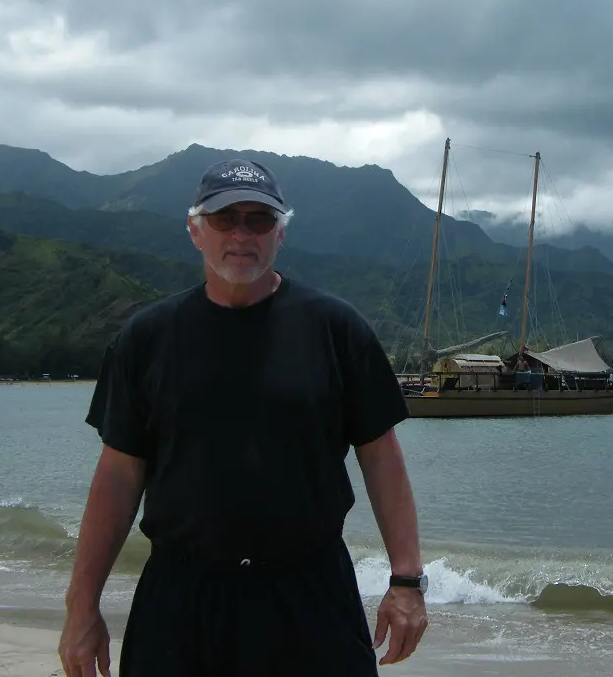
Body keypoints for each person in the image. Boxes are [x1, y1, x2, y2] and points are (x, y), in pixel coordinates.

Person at [58, 159, 428, 676]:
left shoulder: (336, 331)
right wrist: (82, 607)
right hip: (181, 600)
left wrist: (406, 580)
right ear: (195, 231)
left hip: (310, 593)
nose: (241, 233)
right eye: (224, 218)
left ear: (279, 233)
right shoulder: (145, 341)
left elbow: (382, 459)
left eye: (258, 219)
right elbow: (119, 478)